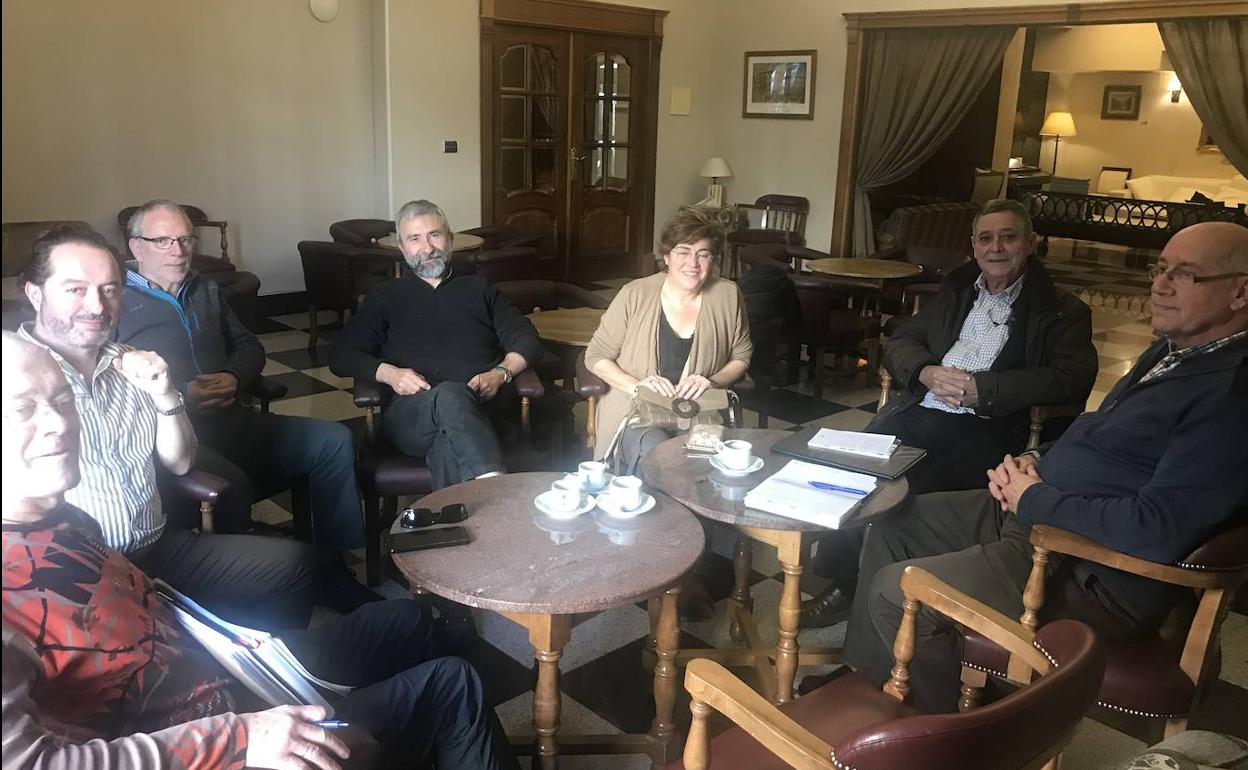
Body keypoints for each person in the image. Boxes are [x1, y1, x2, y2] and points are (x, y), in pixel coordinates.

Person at [0, 331, 520, 770]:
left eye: (62, 400)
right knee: (456, 686)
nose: (58, 424)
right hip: (231, 742)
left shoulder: (60, 520)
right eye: (23, 407)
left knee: (411, 620)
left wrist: (248, 653)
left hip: (237, 674)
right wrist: (243, 736)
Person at [842, 221, 1248, 714]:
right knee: (892, 524)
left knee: (895, 590)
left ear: (1240, 292)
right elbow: (1104, 437)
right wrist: (1037, 460)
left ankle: (943, 738)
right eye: (1159, 268)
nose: (1158, 285)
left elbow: (1157, 528)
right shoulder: (1175, 350)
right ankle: (875, 690)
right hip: (1041, 515)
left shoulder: (1230, 397)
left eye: (1184, 275)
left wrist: (1034, 499)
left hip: (1082, 567)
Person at [802, 198, 1098, 628]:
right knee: (849, 470)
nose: (996, 248)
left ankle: (907, 593)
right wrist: (925, 371)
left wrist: (987, 389)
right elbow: (902, 339)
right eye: (985, 238)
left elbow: (1072, 377)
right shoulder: (959, 291)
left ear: (1030, 243)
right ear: (974, 247)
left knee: (905, 491)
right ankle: (845, 582)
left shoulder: (1061, 310)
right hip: (921, 407)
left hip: (988, 426)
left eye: (1008, 237)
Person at [20, 224, 316, 631]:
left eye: (109, 289)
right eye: (75, 289)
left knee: (294, 566)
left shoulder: (133, 364)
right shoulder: (14, 375)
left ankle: (278, 677)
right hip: (72, 572)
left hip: (155, 550)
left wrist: (166, 395)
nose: (97, 305)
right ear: (35, 293)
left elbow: (179, 464)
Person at [116, 199, 378, 611]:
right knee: (232, 482)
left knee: (332, 440)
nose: (179, 250)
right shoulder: (114, 302)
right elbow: (110, 387)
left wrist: (237, 377)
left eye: (185, 238)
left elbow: (248, 345)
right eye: (163, 240)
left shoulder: (204, 287)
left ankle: (331, 567)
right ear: (136, 247)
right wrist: (181, 391)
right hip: (172, 438)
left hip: (233, 419)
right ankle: (246, 586)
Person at [329, 199, 545, 490]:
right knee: (450, 395)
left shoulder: (479, 289)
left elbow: (527, 338)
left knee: (448, 446)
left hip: (482, 409)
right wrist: (390, 374)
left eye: (434, 235)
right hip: (411, 417)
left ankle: (448, 527)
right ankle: (497, 493)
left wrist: (501, 373)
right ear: (402, 248)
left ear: (450, 239)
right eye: (414, 239)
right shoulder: (384, 297)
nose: (427, 248)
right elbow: (341, 355)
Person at [584, 205, 753, 472]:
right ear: (666, 256)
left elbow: (741, 356)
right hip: (637, 411)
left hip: (702, 411)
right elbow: (596, 356)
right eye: (683, 252)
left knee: (700, 462)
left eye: (703, 254)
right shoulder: (634, 294)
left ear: (713, 259)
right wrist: (637, 386)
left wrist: (712, 381)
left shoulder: (728, 295)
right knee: (658, 456)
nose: (693, 263)